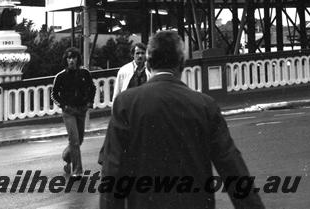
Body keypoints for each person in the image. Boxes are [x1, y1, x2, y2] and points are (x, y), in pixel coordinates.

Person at [99, 30, 265, 209]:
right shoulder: (204, 105)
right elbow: (233, 169)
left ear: (148, 64)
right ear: (182, 63)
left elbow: (112, 171)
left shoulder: (126, 104)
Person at [52, 48, 96, 177]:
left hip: (82, 110)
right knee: (75, 140)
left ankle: (66, 156)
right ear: (66, 60)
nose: (71, 60)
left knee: (79, 140)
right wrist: (63, 106)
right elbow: (54, 95)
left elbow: (92, 88)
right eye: (69, 58)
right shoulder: (60, 76)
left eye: (74, 58)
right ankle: (77, 170)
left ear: (78, 59)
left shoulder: (84, 73)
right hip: (69, 111)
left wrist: (89, 103)